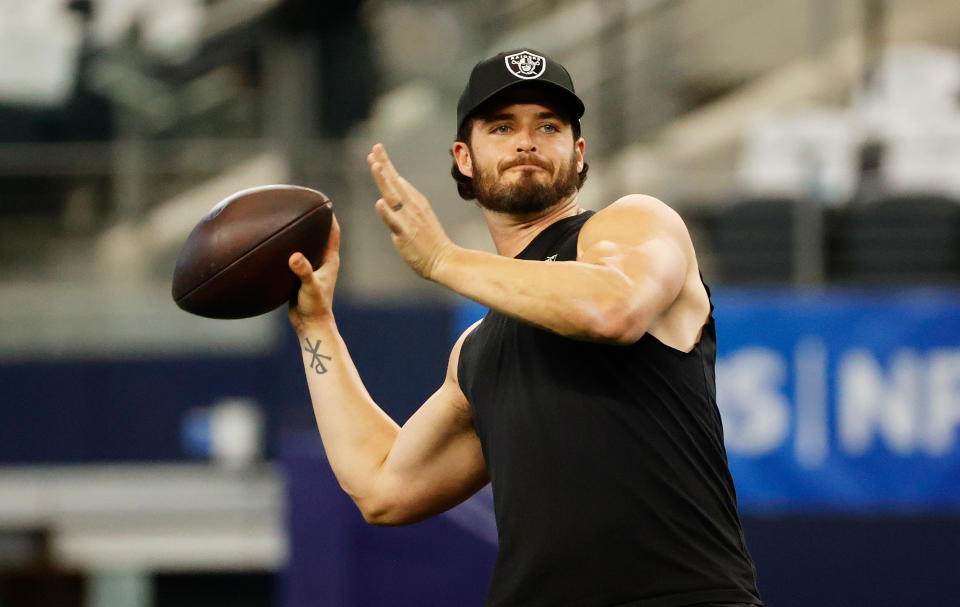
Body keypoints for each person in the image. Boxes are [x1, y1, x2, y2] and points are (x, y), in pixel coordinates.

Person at [287, 48, 763, 607]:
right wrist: (315, 324)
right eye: (502, 126)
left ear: (578, 152)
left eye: (549, 126)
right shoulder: (477, 350)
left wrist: (443, 259)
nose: (526, 140)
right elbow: (381, 488)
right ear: (464, 157)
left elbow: (613, 310)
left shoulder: (634, 223)